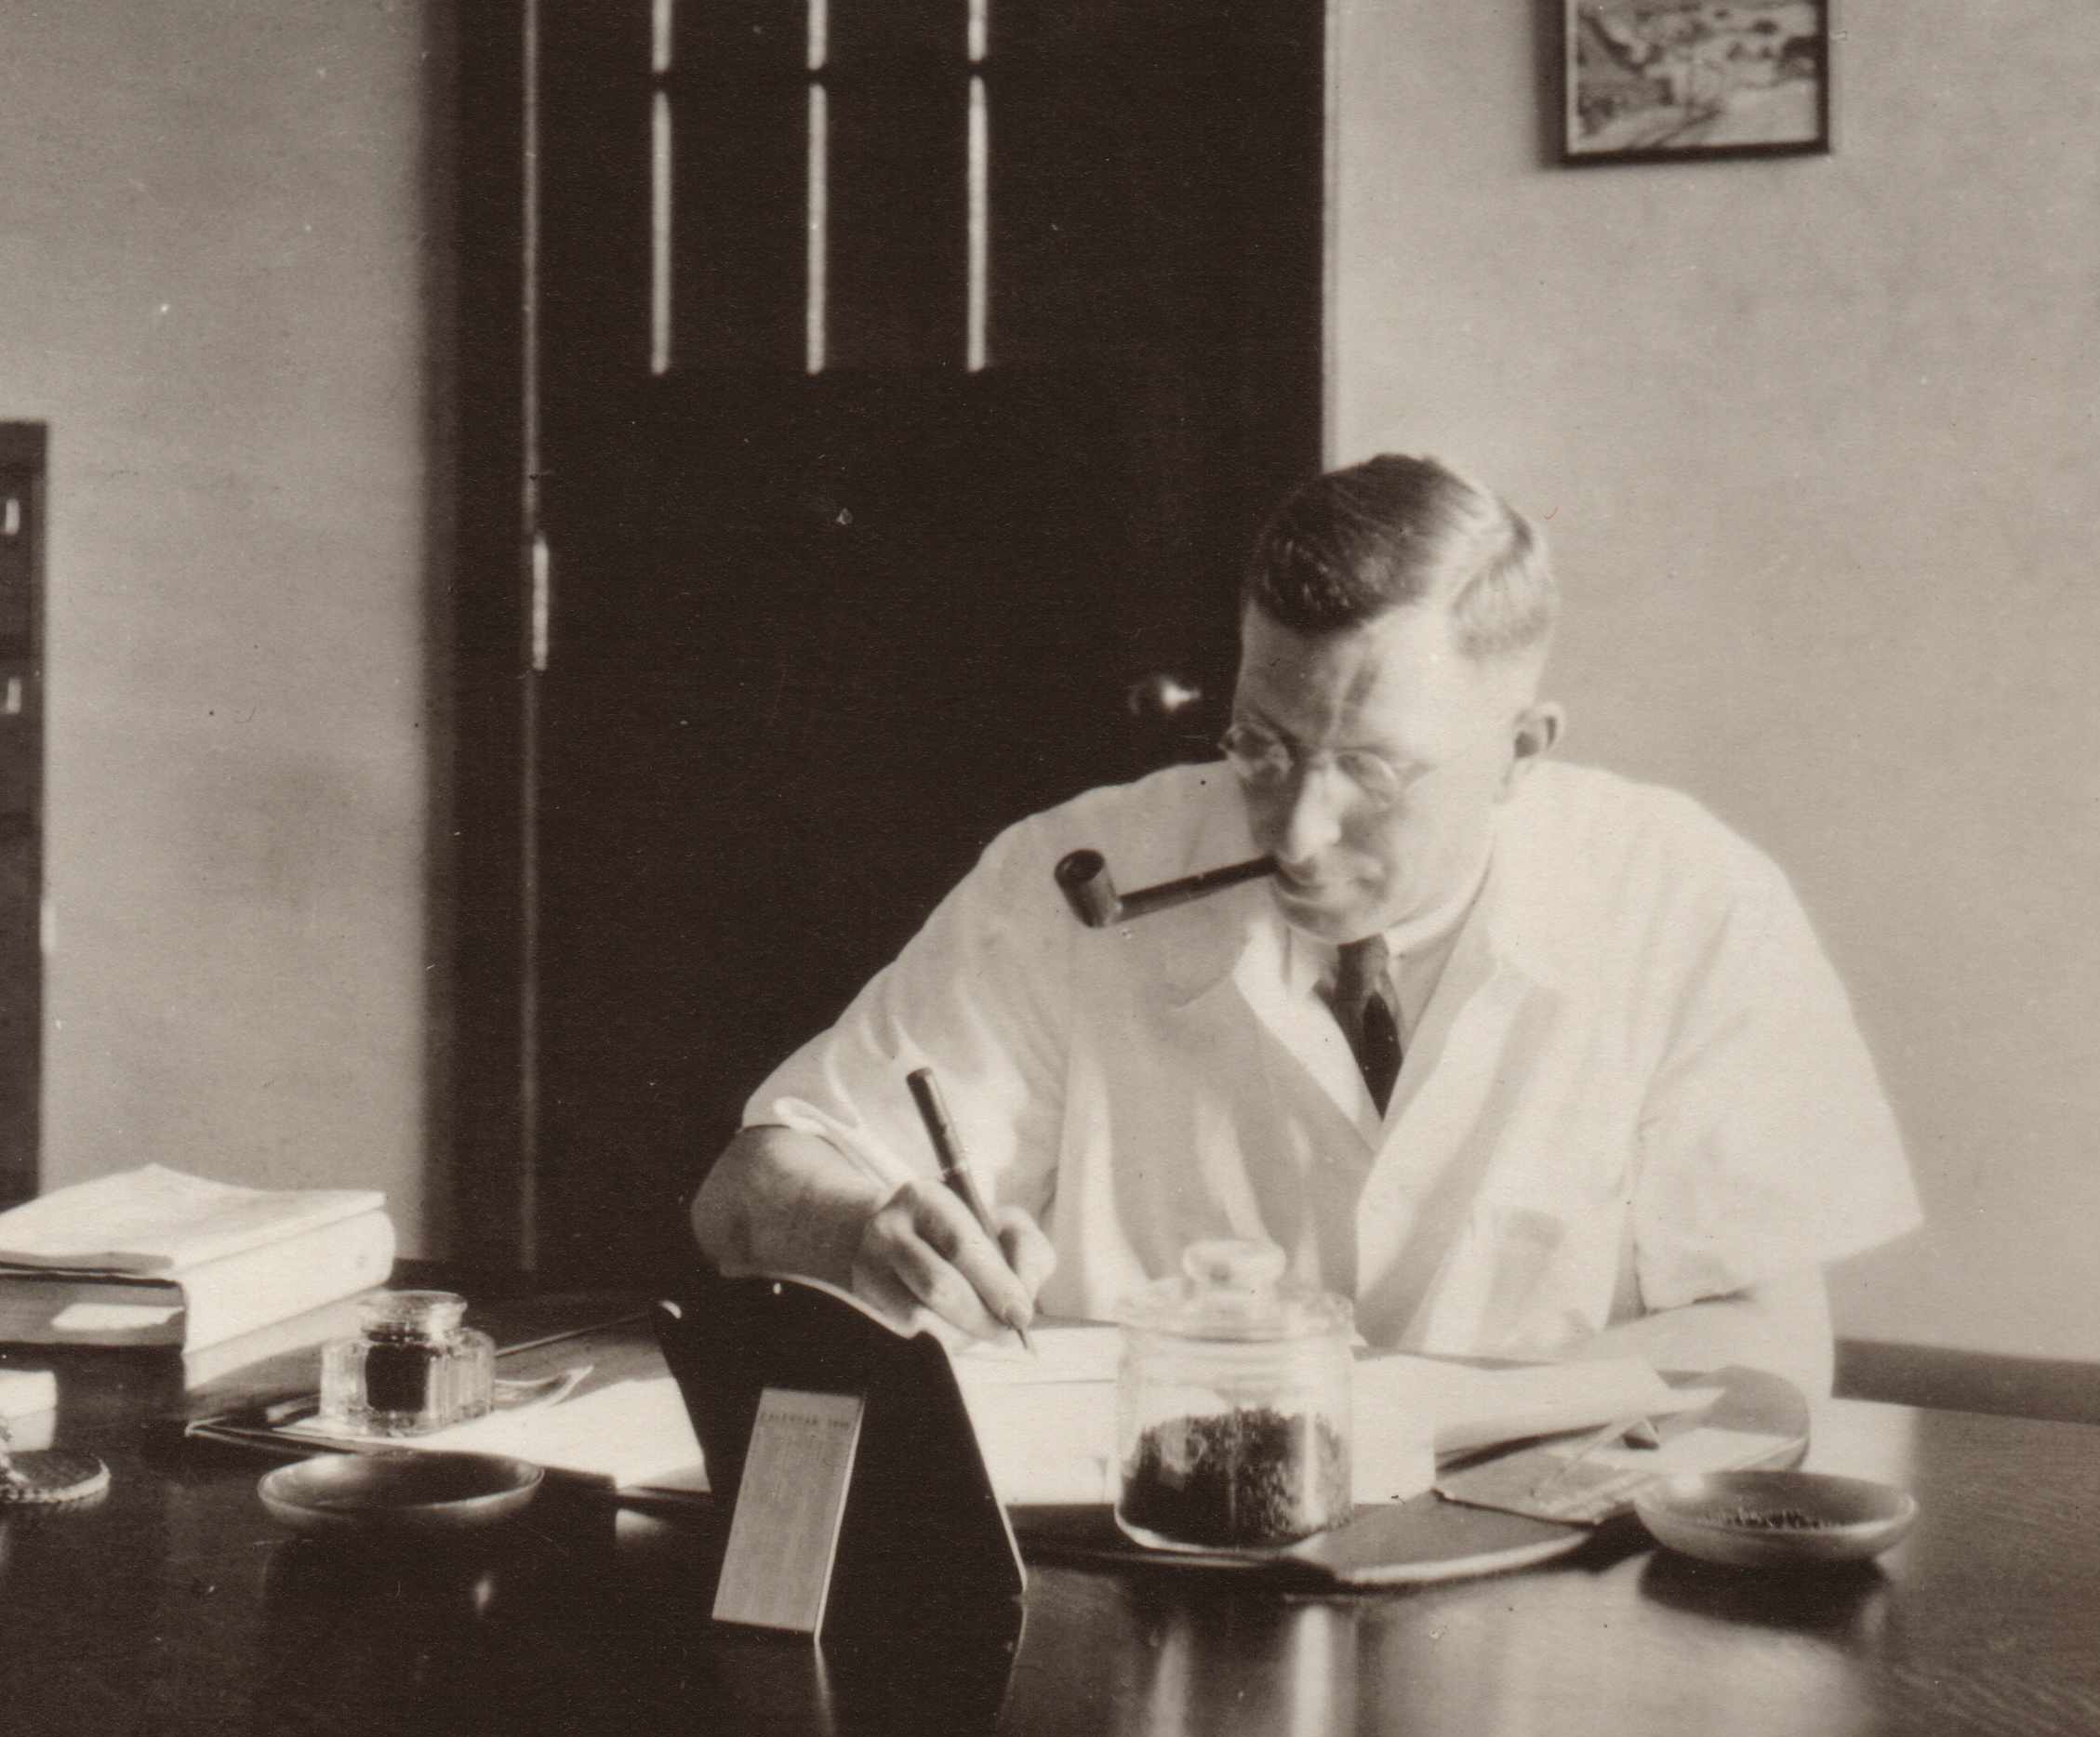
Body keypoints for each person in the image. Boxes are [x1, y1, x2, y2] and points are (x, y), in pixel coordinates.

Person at [689, 455, 1917, 1399]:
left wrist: (1390, 1419)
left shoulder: (1687, 903)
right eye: (1260, 746)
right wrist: (865, 1232)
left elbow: (1768, 1344)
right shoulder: (1080, 873)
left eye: (1372, 772)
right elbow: (746, 1195)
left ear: (1520, 753)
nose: (1295, 832)